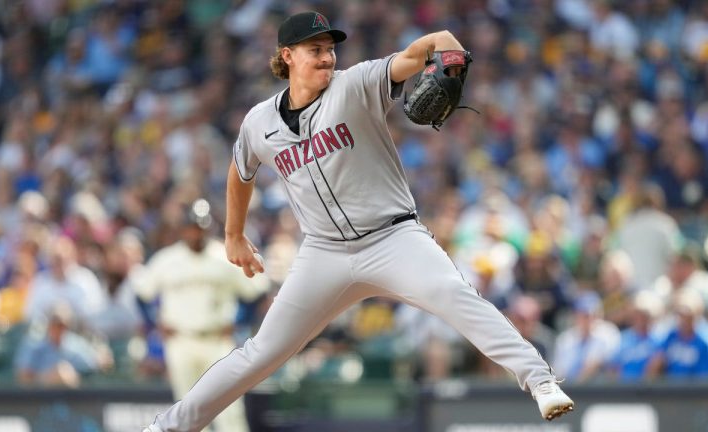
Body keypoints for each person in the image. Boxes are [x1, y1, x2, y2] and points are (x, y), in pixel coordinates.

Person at [144, 11, 574, 431]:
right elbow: (241, 171)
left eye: (330, 49)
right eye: (316, 50)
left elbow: (428, 46)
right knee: (261, 352)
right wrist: (233, 234)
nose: (328, 58)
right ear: (287, 55)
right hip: (323, 252)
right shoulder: (260, 122)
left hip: (393, 238)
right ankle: (170, 427)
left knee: (452, 293)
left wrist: (450, 52)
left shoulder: (356, 83)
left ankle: (540, 381)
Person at [134, 199, 269, 432]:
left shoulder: (224, 256)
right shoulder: (167, 260)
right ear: (183, 229)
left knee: (230, 411)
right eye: (191, 227)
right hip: (181, 340)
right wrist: (155, 323)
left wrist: (238, 322)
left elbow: (257, 292)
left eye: (200, 227)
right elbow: (142, 295)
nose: (195, 232)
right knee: (187, 411)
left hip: (217, 341)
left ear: (208, 228)